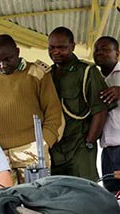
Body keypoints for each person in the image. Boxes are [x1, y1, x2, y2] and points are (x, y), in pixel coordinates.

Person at [0, 34, 64, 184]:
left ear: (18, 52)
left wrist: (43, 143)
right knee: (6, 202)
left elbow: (53, 112)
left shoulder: (37, 73)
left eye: (7, 59)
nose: (3, 65)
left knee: (35, 201)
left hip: (32, 151)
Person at [48, 27, 116, 182]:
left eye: (62, 47)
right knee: (56, 196)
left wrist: (89, 142)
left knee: (84, 195)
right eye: (52, 48)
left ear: (72, 46)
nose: (56, 52)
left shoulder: (87, 71)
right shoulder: (47, 75)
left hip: (80, 148)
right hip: (56, 150)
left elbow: (101, 111)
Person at [93, 36, 120, 192]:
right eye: (97, 49)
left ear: (117, 54)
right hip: (107, 151)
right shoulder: (93, 77)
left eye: (105, 49)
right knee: (111, 196)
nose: (100, 52)